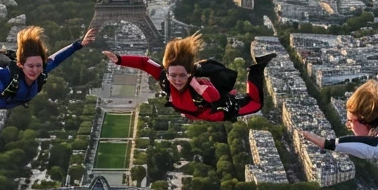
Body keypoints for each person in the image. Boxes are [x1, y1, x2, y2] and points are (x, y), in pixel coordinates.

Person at [103, 31, 275, 122]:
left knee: (255, 104)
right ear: (167, 72)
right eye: (173, 75)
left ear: (189, 74)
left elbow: (213, 97)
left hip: (213, 113)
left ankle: (256, 69)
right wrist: (119, 60)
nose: (177, 80)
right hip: (197, 112)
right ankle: (255, 70)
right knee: (254, 103)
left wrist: (197, 85)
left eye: (182, 76)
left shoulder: (197, 83)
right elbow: (145, 63)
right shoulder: (164, 77)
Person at [0, 25, 96, 109]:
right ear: (21, 65)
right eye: (30, 66)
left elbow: (57, 58)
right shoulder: (9, 74)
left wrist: (79, 44)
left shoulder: (42, 71)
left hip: (8, 100)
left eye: (38, 65)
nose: (35, 70)